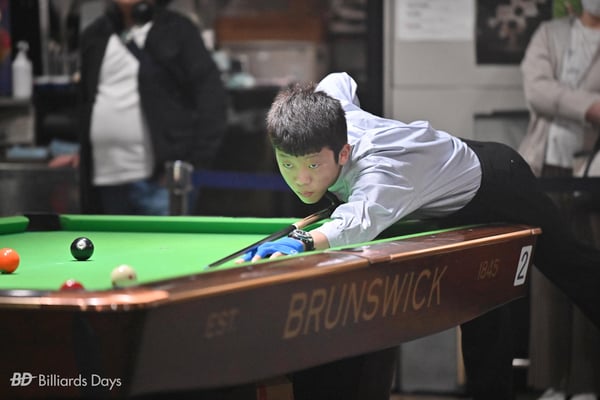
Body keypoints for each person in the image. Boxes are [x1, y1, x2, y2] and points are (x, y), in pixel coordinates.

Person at [240, 72, 600, 400]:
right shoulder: (331, 115)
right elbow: (338, 80)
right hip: (450, 191)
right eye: (287, 164)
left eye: (313, 165)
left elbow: (357, 221)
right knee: (483, 299)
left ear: (344, 152)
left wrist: (303, 241)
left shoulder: (381, 171)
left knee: (572, 267)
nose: (300, 178)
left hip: (500, 182)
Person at [51, 0, 226, 215]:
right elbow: (86, 101)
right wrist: (82, 152)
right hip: (106, 178)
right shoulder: (95, 34)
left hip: (159, 182)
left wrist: (193, 162)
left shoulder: (178, 30)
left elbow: (212, 99)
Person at [518, 0, 600, 398]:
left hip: (593, 173)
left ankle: (586, 383)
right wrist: (590, 105)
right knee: (547, 274)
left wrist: (563, 99)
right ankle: (550, 381)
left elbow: (551, 94)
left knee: (589, 271)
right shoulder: (550, 34)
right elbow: (537, 91)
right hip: (546, 168)